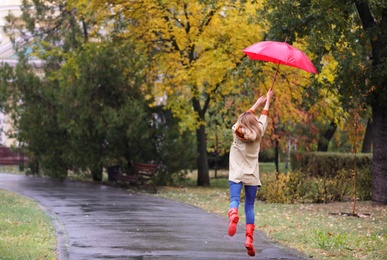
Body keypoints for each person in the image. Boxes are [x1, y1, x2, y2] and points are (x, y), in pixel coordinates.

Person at [227, 87, 274, 257]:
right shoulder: (260, 131)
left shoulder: (236, 130)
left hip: (236, 174)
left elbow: (243, 118)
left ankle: (233, 213)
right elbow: (264, 115)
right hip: (252, 175)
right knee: (249, 206)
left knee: (234, 199)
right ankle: (249, 239)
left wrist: (255, 103)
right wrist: (267, 100)